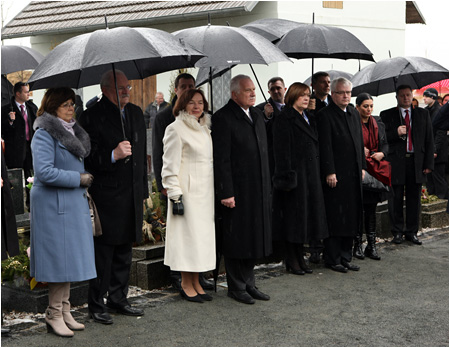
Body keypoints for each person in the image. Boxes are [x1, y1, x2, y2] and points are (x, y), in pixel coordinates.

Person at [79, 70, 148, 325]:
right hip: (106, 196)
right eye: (120, 89)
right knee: (103, 254)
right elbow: (87, 157)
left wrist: (143, 190)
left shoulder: (135, 113)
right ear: (105, 89)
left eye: (128, 88)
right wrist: (112, 155)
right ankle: (96, 304)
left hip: (130, 193)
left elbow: (141, 156)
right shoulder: (90, 117)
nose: (126, 92)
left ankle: (119, 298)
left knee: (125, 251)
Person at [29, 87, 96, 337]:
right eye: (66, 104)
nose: (71, 108)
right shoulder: (44, 133)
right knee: (59, 260)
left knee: (68, 258)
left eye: (73, 104)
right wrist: (77, 178)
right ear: (53, 105)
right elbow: (44, 172)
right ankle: (53, 313)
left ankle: (64, 309)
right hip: (53, 205)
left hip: (68, 204)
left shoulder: (70, 131)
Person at [212, 74, 272, 304]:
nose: (253, 93)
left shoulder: (256, 115)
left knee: (253, 237)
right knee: (237, 238)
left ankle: (249, 282)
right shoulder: (223, 118)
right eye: (247, 90)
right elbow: (222, 159)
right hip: (236, 191)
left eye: (253, 89)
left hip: (257, 188)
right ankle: (236, 286)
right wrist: (225, 191)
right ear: (234, 93)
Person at [152, 73, 214, 291]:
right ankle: (186, 283)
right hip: (186, 193)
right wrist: (175, 194)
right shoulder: (175, 128)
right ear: (182, 104)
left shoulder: (204, 128)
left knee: (200, 241)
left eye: (200, 103)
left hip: (204, 195)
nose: (196, 106)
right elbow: (168, 167)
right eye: (191, 102)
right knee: (188, 240)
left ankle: (196, 281)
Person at [272, 82, 328, 275]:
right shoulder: (284, 119)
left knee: (304, 220)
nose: (306, 98)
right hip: (294, 178)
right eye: (302, 95)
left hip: (310, 176)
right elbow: (281, 151)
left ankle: (300, 258)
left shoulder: (308, 117)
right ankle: (292, 260)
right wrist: (287, 177)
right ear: (293, 96)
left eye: (308, 95)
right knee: (293, 221)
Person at [317, 77, 366, 273]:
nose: (346, 96)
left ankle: (346, 256)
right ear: (333, 94)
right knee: (336, 217)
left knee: (351, 216)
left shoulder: (353, 113)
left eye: (348, 93)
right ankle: (332, 258)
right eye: (341, 93)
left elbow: (359, 142)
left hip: (353, 173)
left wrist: (362, 166)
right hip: (336, 175)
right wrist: (329, 171)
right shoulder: (325, 115)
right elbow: (325, 145)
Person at [380, 85, 434, 245]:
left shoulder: (422, 114)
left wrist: (428, 163)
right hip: (396, 161)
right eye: (402, 95)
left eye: (408, 95)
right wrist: (395, 133)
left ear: (412, 96)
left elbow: (429, 140)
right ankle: (396, 231)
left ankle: (412, 232)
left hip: (416, 161)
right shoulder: (387, 115)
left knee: (414, 199)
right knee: (395, 198)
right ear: (396, 97)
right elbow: (382, 138)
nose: (405, 98)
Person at [353, 93, 391, 261]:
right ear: (357, 107)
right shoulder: (353, 123)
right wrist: (360, 150)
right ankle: (357, 245)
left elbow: (385, 144)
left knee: (371, 210)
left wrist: (381, 153)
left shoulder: (378, 123)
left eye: (370, 106)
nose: (368, 109)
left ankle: (371, 245)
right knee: (357, 210)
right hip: (359, 170)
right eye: (365, 106)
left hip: (375, 170)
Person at [306, 71, 331, 264]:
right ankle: (315, 247)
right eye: (323, 82)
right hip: (315, 160)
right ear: (314, 85)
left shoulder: (333, 103)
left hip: (331, 159)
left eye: (328, 82)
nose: (327, 85)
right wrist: (311, 112)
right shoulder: (309, 103)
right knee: (316, 205)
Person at [1, 82, 38, 210]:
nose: (28, 94)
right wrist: (10, 121)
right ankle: (15, 206)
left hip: (30, 147)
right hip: (15, 150)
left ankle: (31, 203)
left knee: (31, 176)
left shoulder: (32, 107)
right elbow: (2, 131)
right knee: (15, 178)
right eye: (26, 92)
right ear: (18, 93)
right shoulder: (6, 109)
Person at [256, 77, 286, 177]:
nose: (276, 91)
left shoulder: (292, 107)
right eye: (272, 89)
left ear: (285, 89)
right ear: (269, 92)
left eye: (278, 88)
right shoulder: (259, 109)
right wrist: (266, 116)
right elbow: (258, 132)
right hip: (273, 160)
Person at [428, 102, 449, 199]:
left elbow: (440, 131)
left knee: (439, 176)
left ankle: (443, 198)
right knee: (435, 176)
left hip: (440, 152)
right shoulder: (433, 110)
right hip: (437, 149)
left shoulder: (438, 111)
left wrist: (435, 150)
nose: (424, 98)